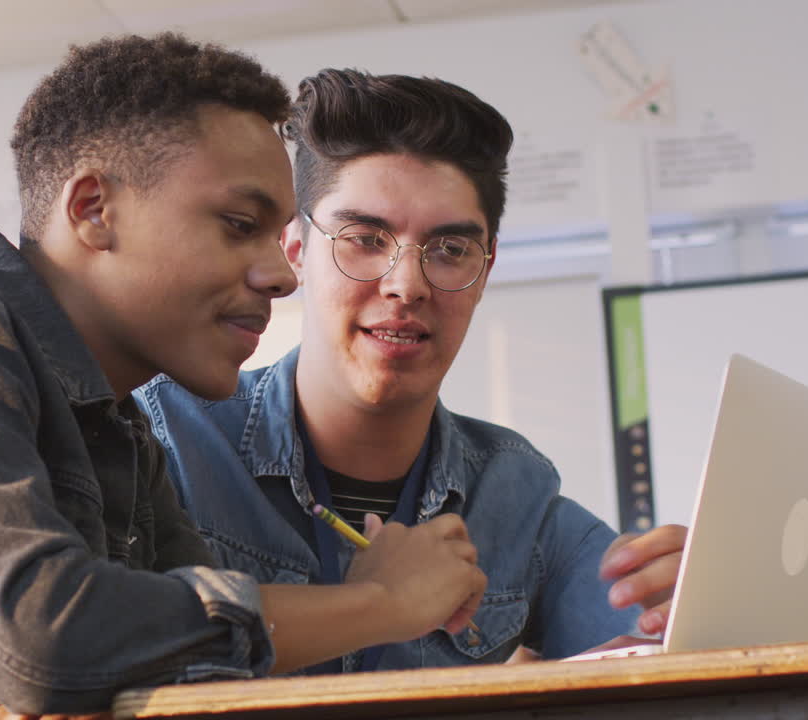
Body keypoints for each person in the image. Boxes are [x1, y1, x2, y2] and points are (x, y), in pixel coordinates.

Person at [0, 38, 487, 720]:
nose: (279, 275)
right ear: (93, 211)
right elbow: (44, 638)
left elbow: (199, 673)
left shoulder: (121, 425)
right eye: (239, 224)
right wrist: (384, 601)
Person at [135, 68, 687, 671]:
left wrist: (694, 605)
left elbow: (666, 649)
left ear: (487, 265)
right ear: (294, 246)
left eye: (450, 250)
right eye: (365, 238)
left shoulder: (515, 493)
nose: (406, 285)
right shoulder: (162, 441)